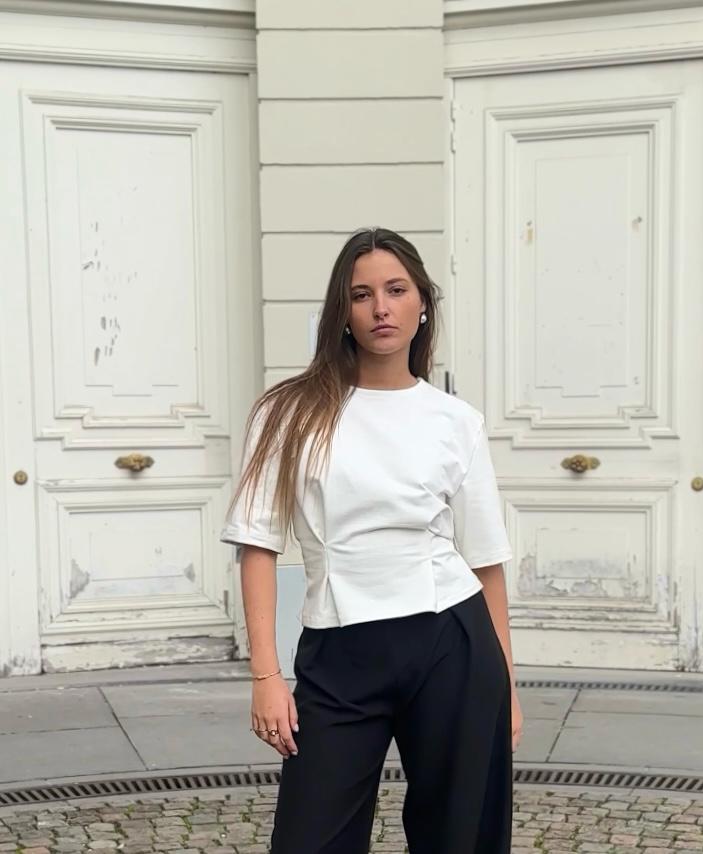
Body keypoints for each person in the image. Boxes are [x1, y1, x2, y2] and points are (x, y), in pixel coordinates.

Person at [220, 227, 523, 854]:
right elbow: (258, 545)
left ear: (421, 305)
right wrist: (265, 676)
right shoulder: (288, 413)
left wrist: (509, 687)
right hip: (339, 654)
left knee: (458, 837)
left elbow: (485, 562)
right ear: (343, 311)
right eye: (362, 294)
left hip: (453, 643)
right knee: (310, 839)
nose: (381, 308)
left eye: (396, 290)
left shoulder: (455, 422)